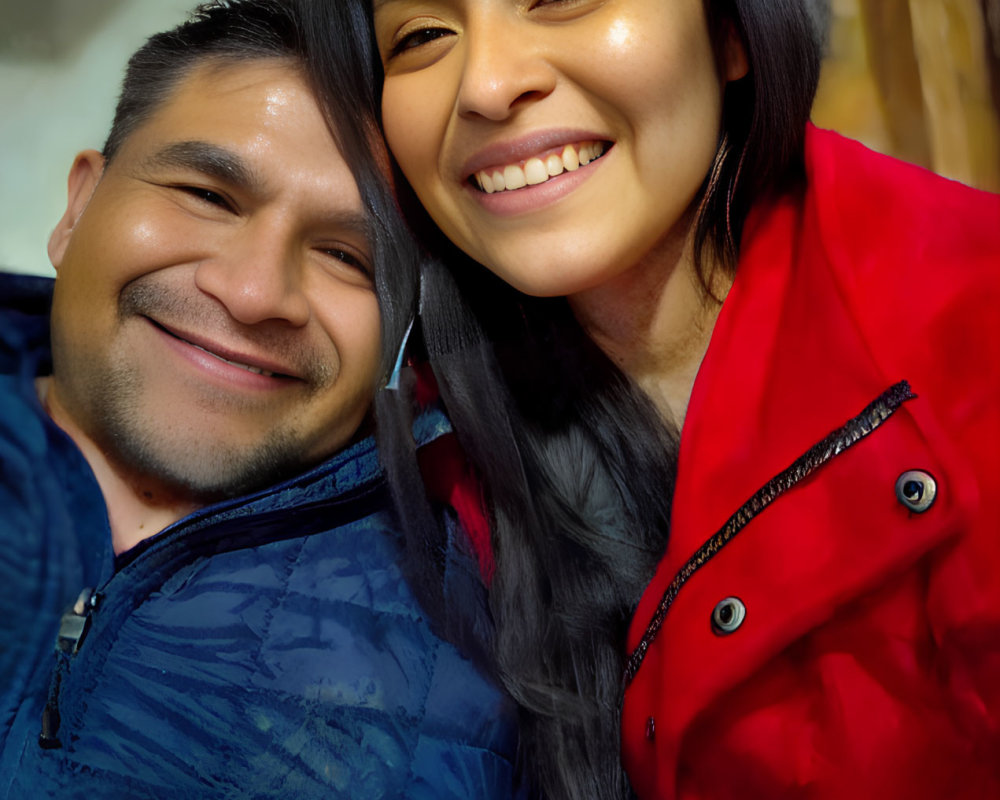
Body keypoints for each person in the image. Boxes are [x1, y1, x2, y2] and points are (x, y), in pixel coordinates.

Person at [353, 0, 1000, 798]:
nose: (486, 84)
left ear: (730, 31)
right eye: (421, 36)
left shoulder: (972, 327)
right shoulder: (416, 452)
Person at [0, 1, 526, 797]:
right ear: (79, 207)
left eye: (348, 256)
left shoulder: (501, 646)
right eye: (208, 195)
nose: (252, 294)